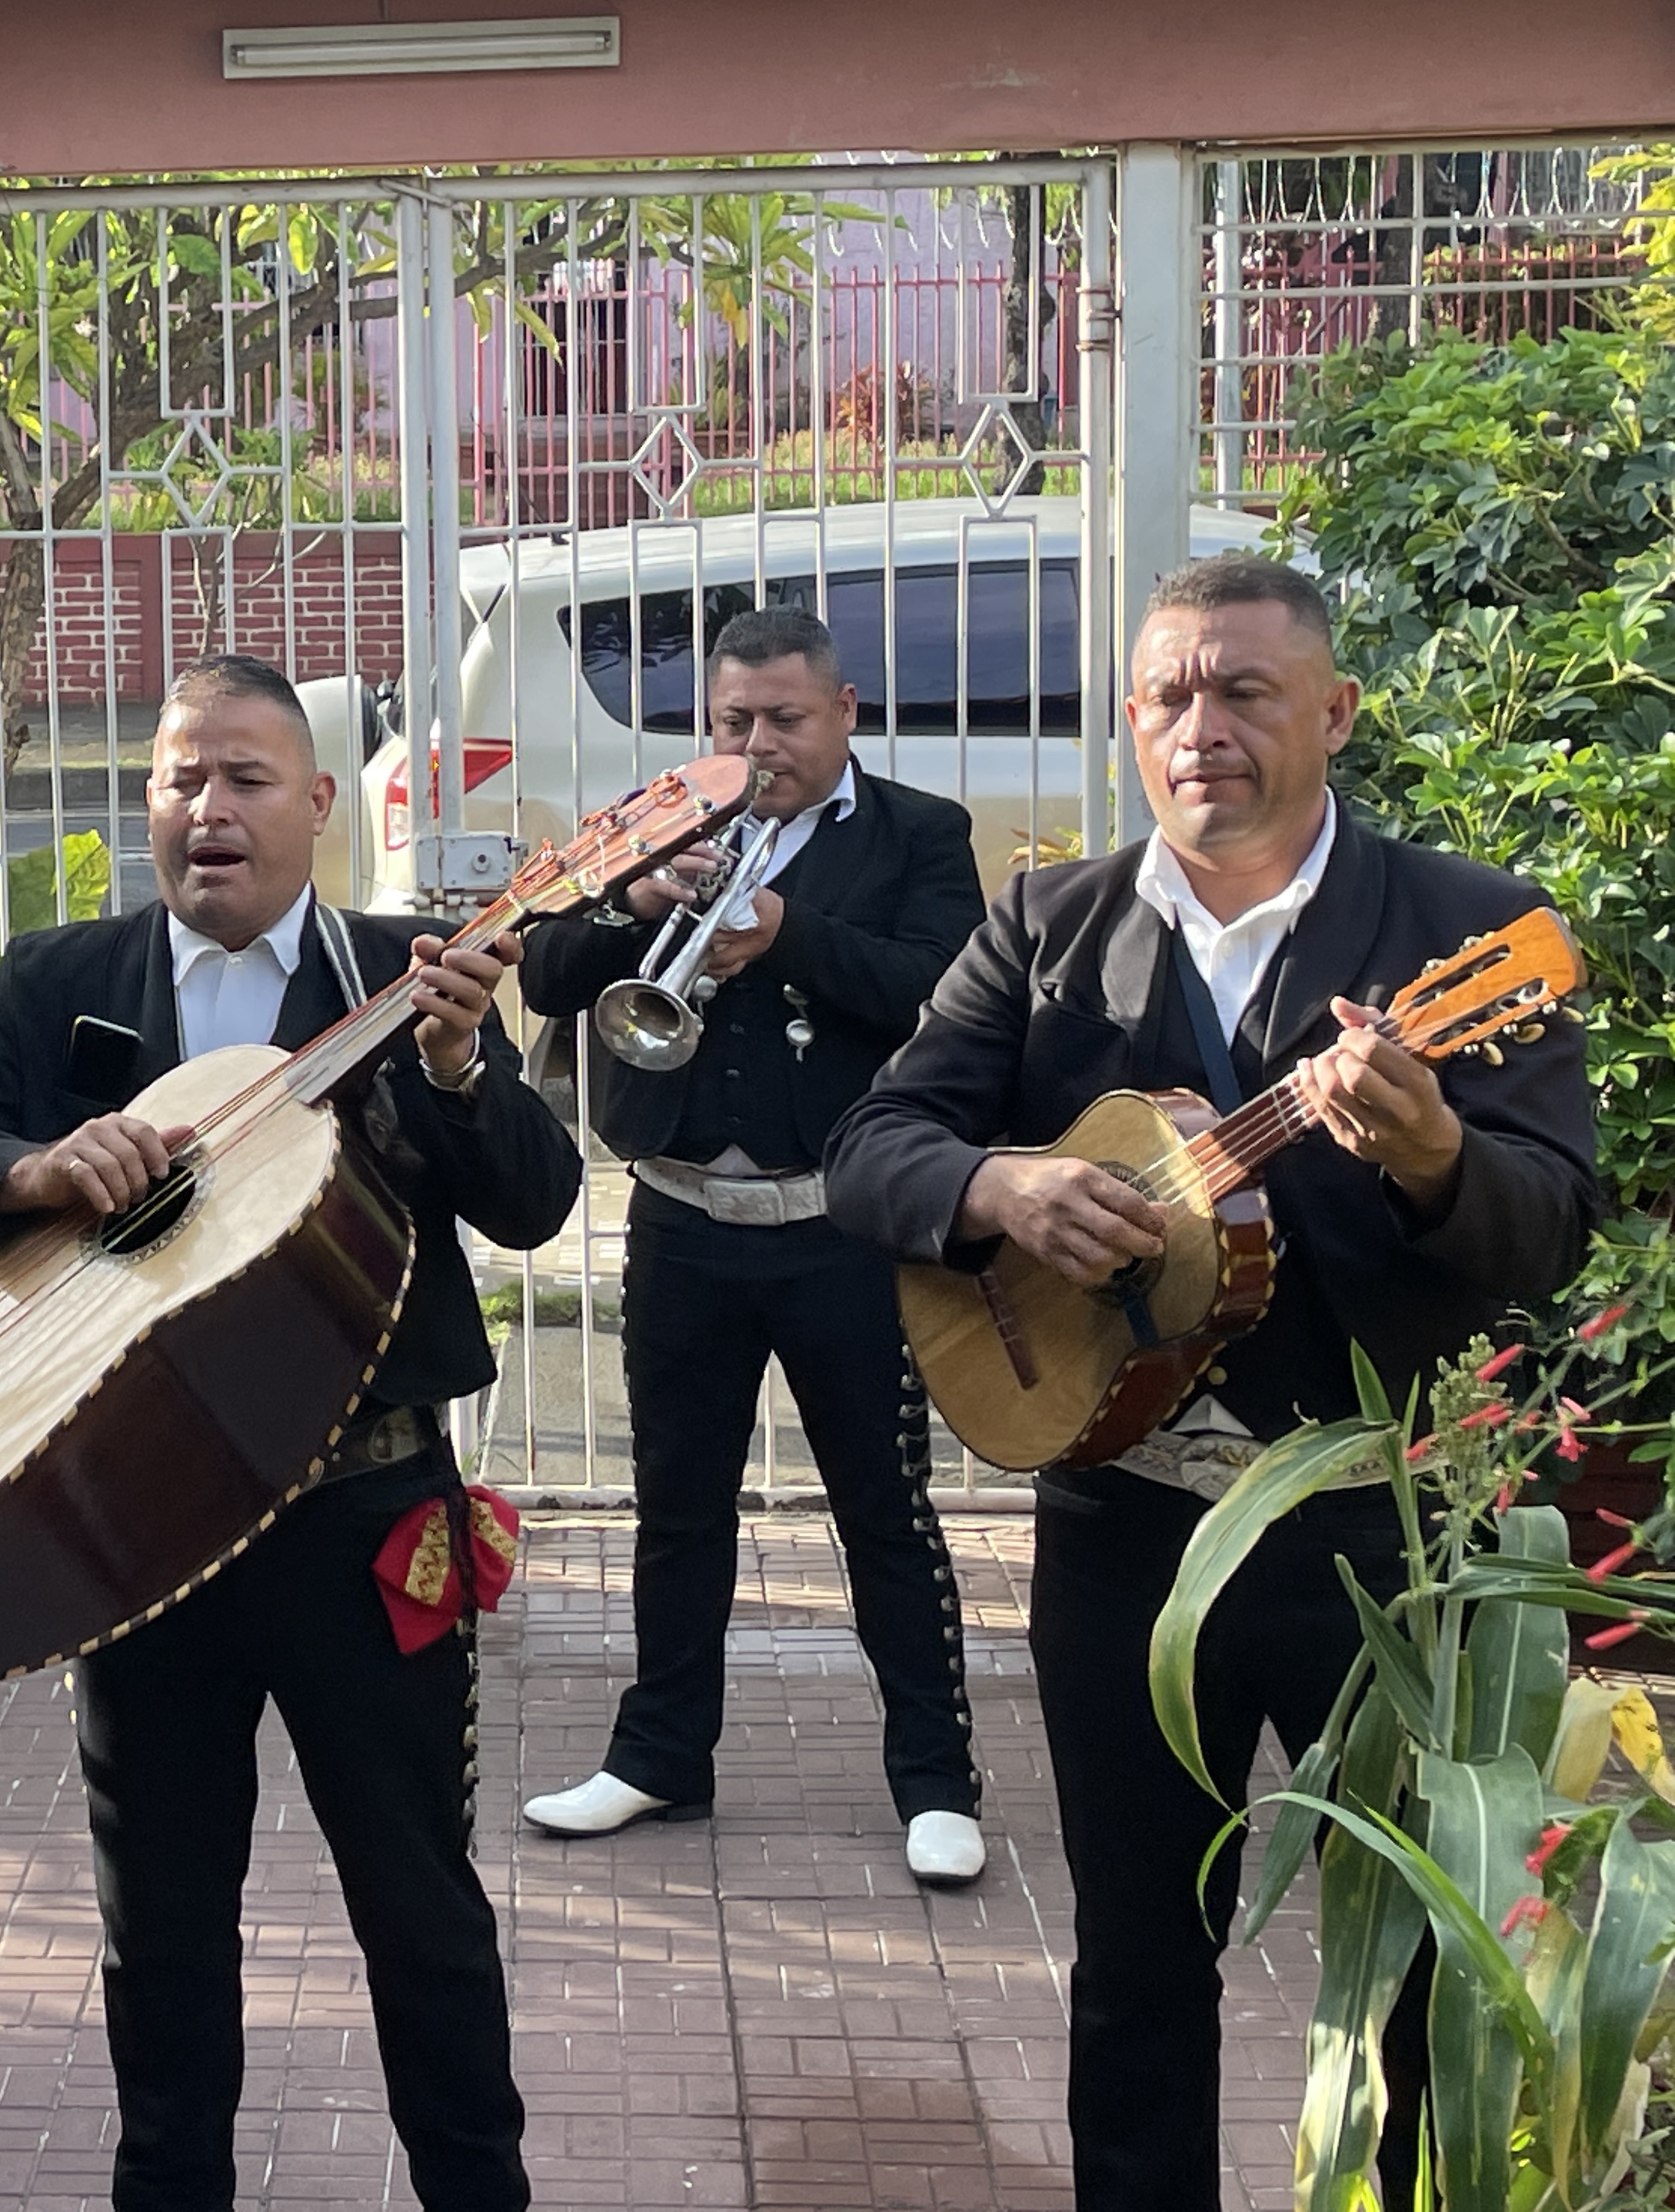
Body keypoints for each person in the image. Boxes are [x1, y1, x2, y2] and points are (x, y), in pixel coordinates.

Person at [826, 556, 1602, 2210]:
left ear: (1335, 712)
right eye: (1171, 695)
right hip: (1122, 1526)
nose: (1204, 730)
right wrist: (1001, 1188)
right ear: (1130, 721)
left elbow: (1552, 1227)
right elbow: (875, 1144)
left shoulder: (1468, 932)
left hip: (1382, 1541)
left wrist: (1437, 1155)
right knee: (1135, 1967)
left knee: (1412, 1970)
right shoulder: (1050, 925)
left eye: (1246, 692)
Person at [0, 655, 580, 2212]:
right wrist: (38, 1168)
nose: (212, 809)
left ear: (318, 805)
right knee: (164, 1921)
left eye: (247, 779)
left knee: (420, 1906)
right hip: (141, 1533)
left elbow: (536, 1202)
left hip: (365, 1520)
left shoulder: (405, 979)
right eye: (183, 779)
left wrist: (458, 1068)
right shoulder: (70, 978)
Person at [516, 605, 990, 1884]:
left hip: (841, 1223)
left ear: (844, 712)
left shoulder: (919, 834)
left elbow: (943, 993)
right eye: (735, 721)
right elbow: (546, 969)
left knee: (883, 1510)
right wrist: (635, 898)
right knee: (677, 1507)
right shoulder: (661, 818)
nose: (759, 744)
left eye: (785, 718)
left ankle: (937, 1781)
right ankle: (660, 1757)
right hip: (680, 1218)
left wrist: (787, 935)